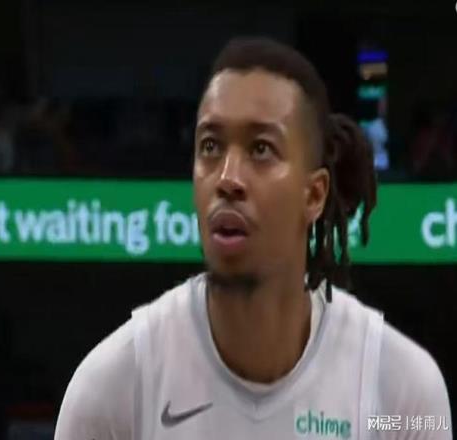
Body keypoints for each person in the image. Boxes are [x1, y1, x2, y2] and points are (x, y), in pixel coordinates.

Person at [54, 37, 452, 439]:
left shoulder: (403, 393)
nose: (227, 178)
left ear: (314, 195)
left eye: (261, 149)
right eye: (210, 146)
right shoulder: (112, 389)